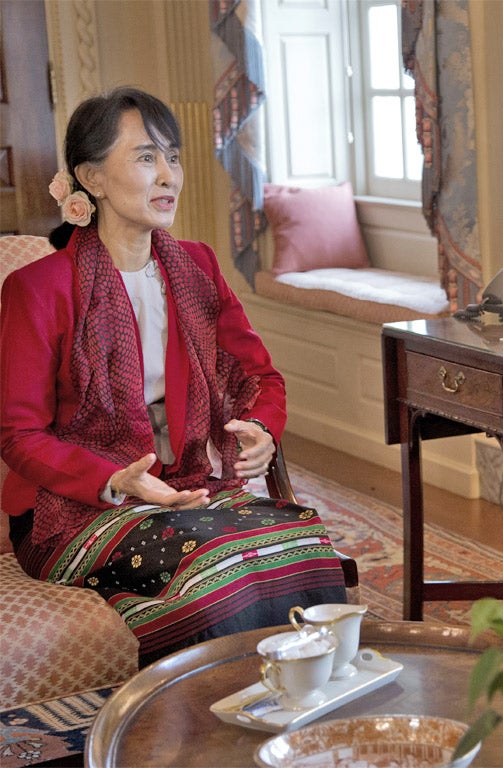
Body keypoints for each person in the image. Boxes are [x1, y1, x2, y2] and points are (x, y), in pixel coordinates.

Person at [0, 87, 348, 665]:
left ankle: (304, 716)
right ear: (92, 177)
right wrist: (116, 479)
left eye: (174, 156)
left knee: (304, 544)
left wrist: (261, 428)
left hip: (187, 482)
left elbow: (260, 377)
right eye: (144, 158)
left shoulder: (197, 267)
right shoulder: (36, 289)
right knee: (213, 561)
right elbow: (18, 436)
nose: (168, 176)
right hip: (73, 508)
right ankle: (213, 726)